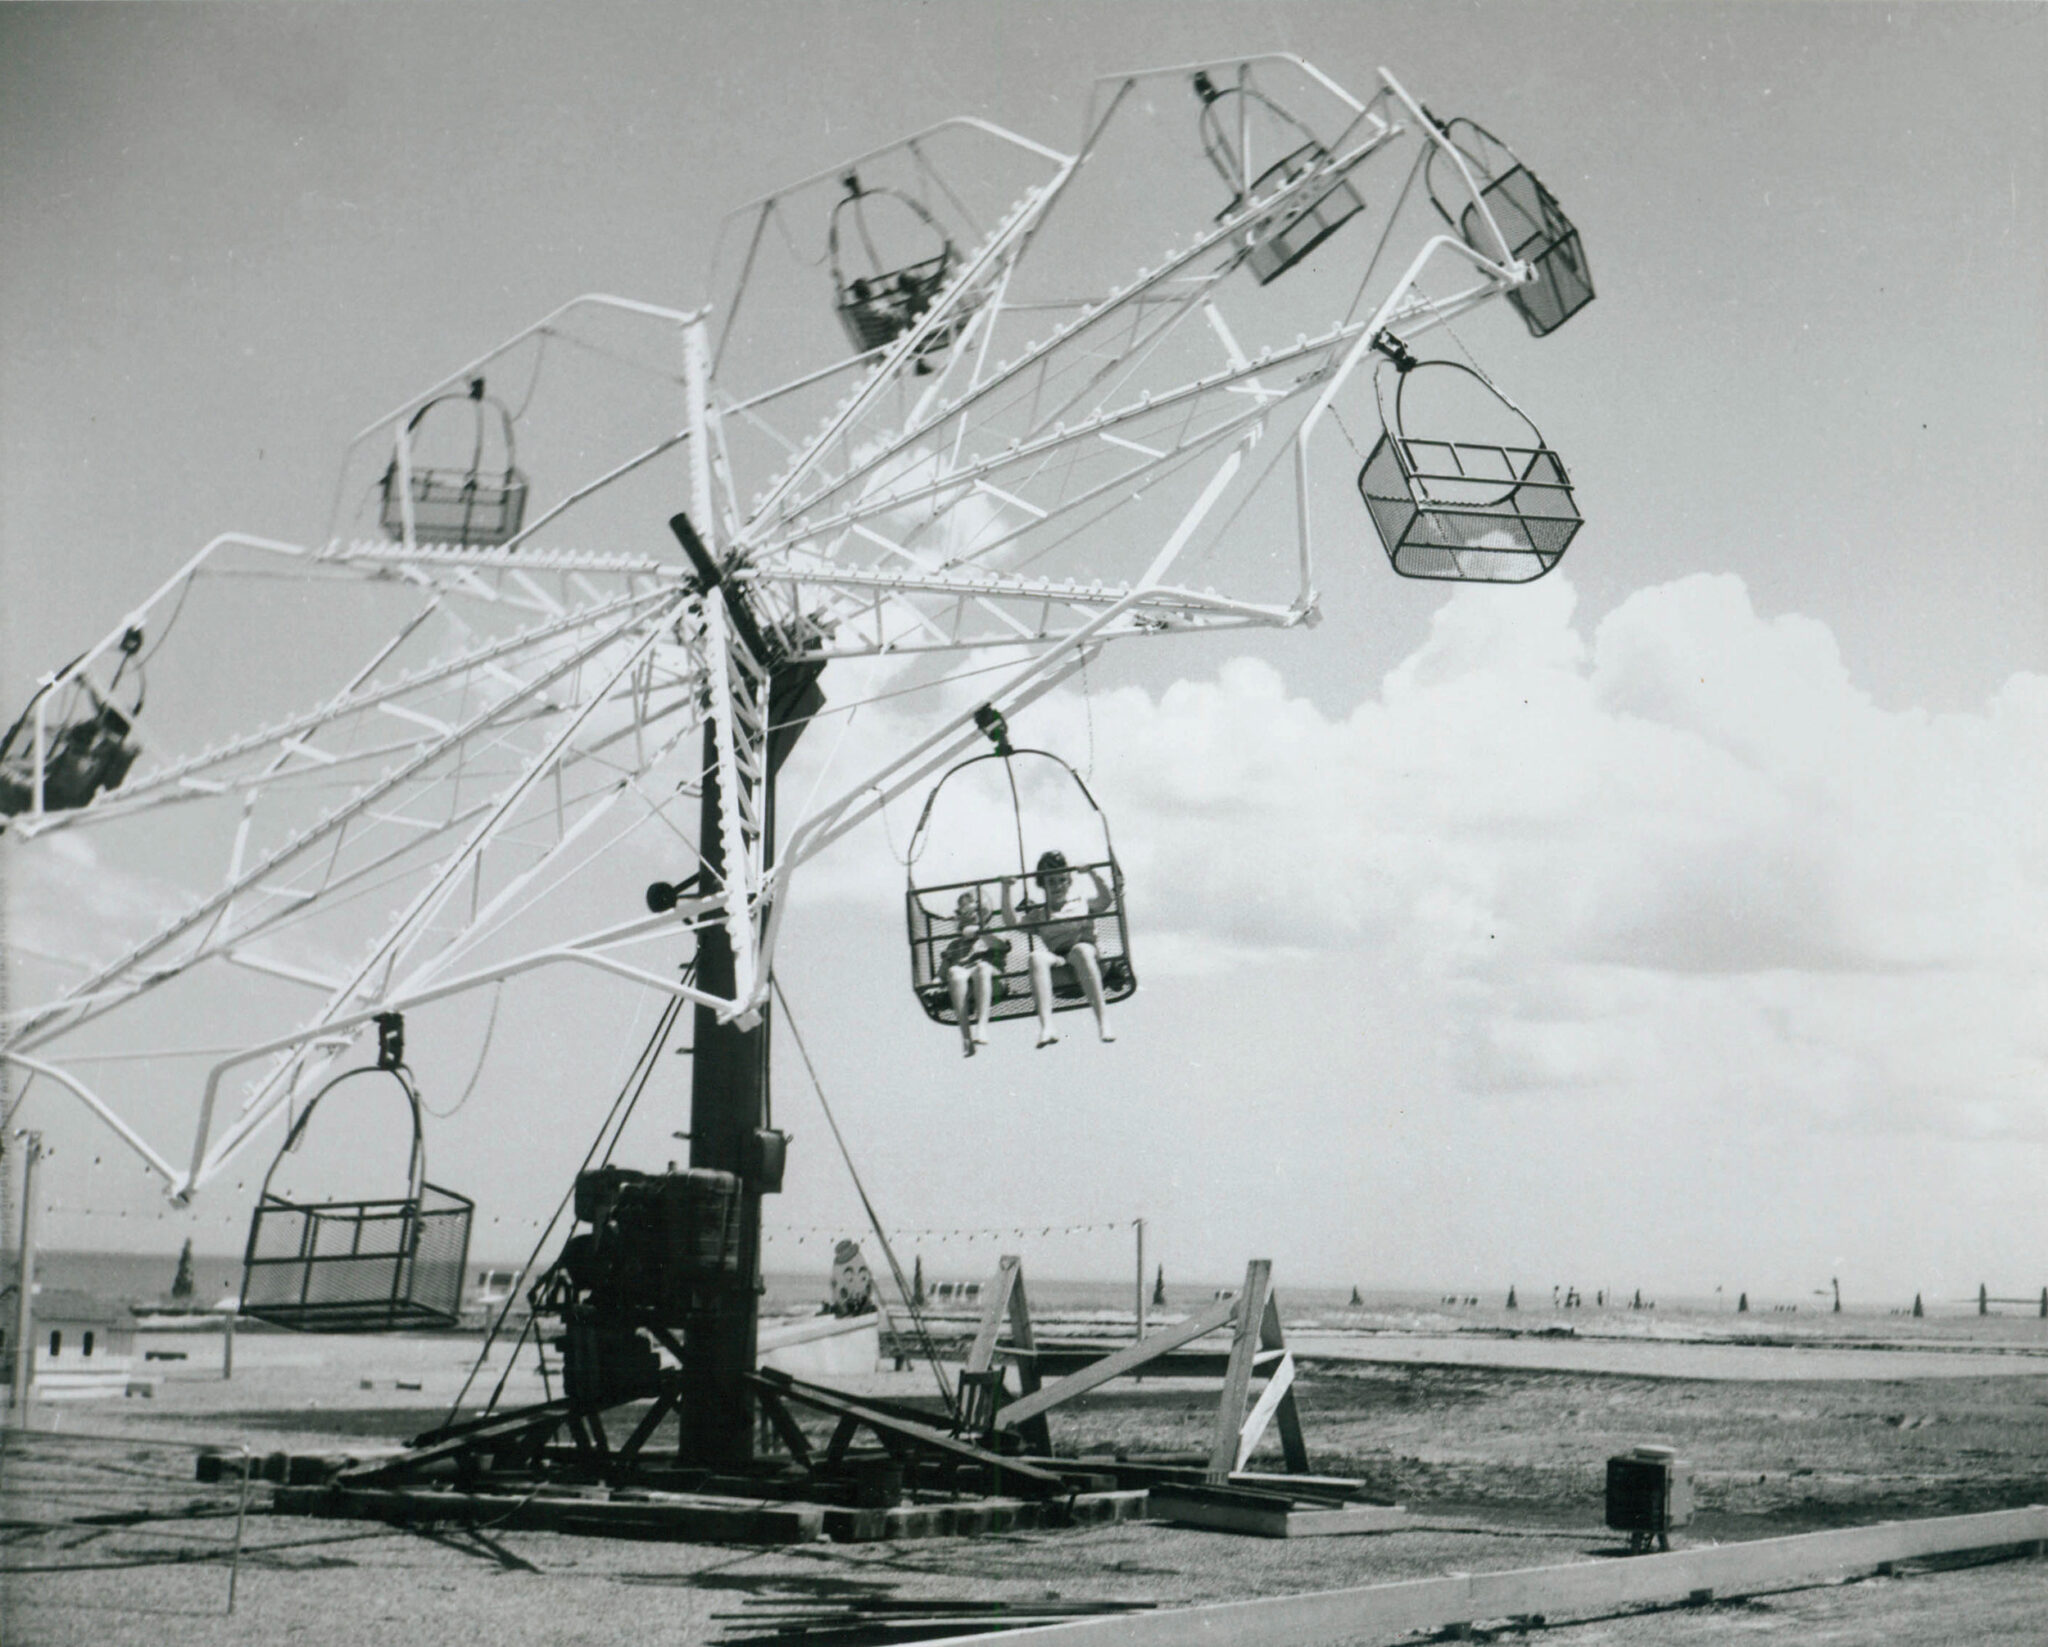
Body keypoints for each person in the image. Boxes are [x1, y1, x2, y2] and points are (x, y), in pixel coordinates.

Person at [1002, 849, 1117, 1047]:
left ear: (1068, 881)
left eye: (1061, 880)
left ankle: (1103, 1022)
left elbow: (1106, 900)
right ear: (1044, 886)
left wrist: (1092, 873)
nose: (1057, 886)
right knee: (1036, 957)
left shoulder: (1082, 903)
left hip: (1090, 960)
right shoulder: (1040, 914)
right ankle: (1047, 1027)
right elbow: (1012, 922)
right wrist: (1006, 889)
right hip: (1063, 966)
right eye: (1051, 882)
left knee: (1080, 951)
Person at [938, 887, 1006, 1056]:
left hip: (993, 983)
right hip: (966, 987)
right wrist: (934, 985)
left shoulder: (990, 935)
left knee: (981, 968)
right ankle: (966, 1038)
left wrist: (980, 932)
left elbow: (1002, 945)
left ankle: (981, 1027)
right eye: (964, 912)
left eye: (973, 911)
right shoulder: (954, 945)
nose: (968, 916)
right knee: (954, 972)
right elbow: (941, 973)